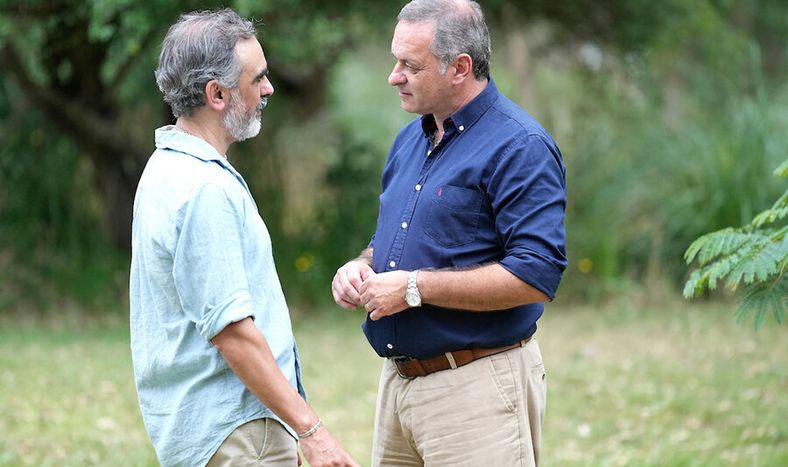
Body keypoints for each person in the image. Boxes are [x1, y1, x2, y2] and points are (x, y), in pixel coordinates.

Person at [331, 0, 567, 465]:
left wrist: (414, 288)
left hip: (476, 388)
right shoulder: (409, 140)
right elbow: (397, 240)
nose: (394, 76)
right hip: (397, 388)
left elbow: (536, 274)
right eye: (395, 60)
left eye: (410, 65)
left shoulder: (521, 146)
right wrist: (360, 266)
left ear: (460, 67)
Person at [130, 9, 358, 467]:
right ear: (217, 94)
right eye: (258, 79)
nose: (269, 89)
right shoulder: (204, 190)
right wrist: (311, 431)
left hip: (219, 431)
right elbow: (232, 332)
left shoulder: (164, 168)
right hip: (237, 429)